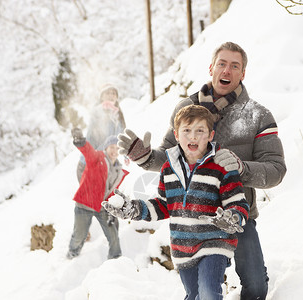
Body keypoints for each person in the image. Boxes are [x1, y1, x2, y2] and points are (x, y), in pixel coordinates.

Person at [116, 42, 287, 299]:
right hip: (194, 218)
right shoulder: (187, 109)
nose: (227, 70)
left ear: (243, 74)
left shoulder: (258, 116)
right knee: (200, 292)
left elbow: (276, 170)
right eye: (222, 63)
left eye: (235, 65)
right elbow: (169, 157)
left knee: (256, 287)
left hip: (236, 215)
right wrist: (146, 157)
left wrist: (242, 168)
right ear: (211, 68)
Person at [103, 105, 250, 299]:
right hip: (183, 246)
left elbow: (238, 203)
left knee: (209, 293)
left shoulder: (222, 166)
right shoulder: (168, 168)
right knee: (193, 294)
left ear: (211, 135)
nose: (193, 137)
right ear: (177, 135)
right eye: (187, 131)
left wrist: (234, 217)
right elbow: (164, 205)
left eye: (200, 131)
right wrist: (134, 209)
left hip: (214, 243)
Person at [67, 128, 129, 260]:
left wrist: (113, 211)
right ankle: (72, 255)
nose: (114, 151)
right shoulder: (97, 158)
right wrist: (81, 142)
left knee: (113, 235)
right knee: (79, 236)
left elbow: (113, 192)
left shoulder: (119, 171)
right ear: (106, 148)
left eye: (117, 148)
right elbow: (88, 152)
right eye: (111, 147)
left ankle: (116, 260)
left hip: (102, 207)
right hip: (85, 204)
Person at [76, 84, 126, 181]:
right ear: (102, 97)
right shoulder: (97, 113)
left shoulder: (118, 115)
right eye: (107, 93)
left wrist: (125, 154)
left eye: (113, 93)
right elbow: (90, 139)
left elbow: (120, 138)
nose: (111, 95)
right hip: (89, 165)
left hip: (107, 165)